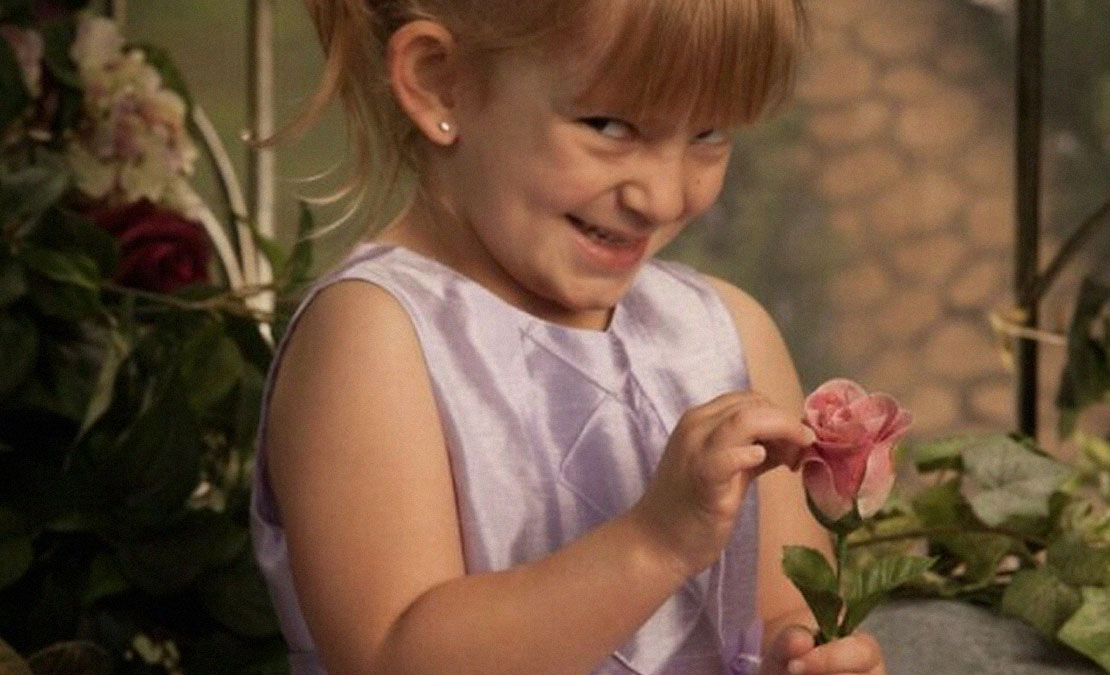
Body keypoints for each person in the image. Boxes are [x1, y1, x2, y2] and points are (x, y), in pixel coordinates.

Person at [250, 0, 887, 673]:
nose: (663, 196)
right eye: (609, 126)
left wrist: (807, 654)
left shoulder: (727, 334)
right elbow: (392, 658)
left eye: (708, 132)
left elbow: (784, 610)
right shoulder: (374, 338)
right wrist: (655, 543)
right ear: (440, 82)